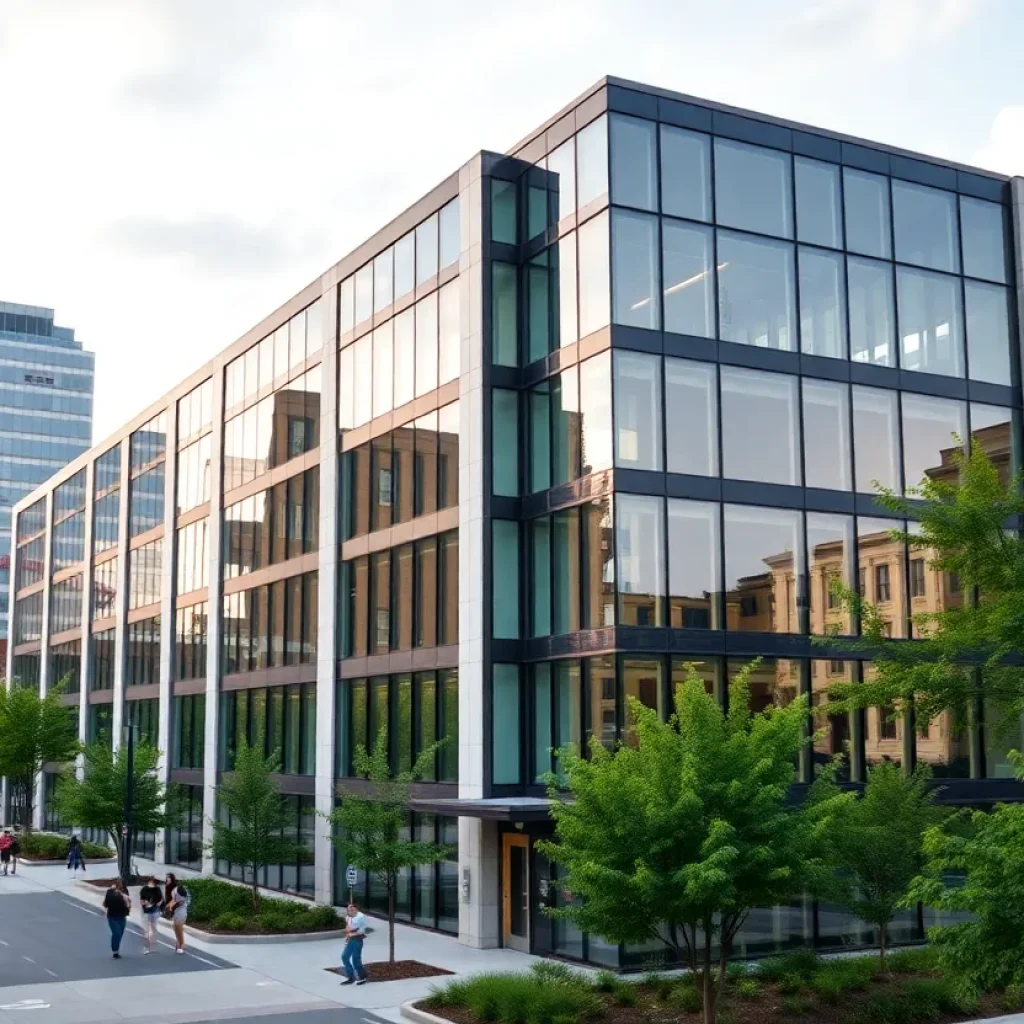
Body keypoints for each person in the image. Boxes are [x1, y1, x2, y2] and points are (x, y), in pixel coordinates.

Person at [340, 902, 368, 986]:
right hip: (350, 939)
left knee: (356, 959)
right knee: (344, 956)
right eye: (348, 909)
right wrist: (347, 931)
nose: (349, 910)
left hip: (357, 939)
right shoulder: (348, 917)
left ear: (356, 909)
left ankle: (362, 976)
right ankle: (351, 977)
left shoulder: (361, 917)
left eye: (351, 909)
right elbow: (347, 926)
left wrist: (352, 934)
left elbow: (363, 931)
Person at [103, 879, 131, 958]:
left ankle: (116, 949)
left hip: (122, 916)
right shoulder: (110, 892)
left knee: (120, 934)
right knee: (117, 933)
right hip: (112, 916)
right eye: (118, 885)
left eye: (121, 886)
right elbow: (106, 903)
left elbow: (128, 903)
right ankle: (115, 951)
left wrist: (127, 901)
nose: (120, 887)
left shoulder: (125, 892)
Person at [164, 873, 190, 954]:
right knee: (175, 926)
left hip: (181, 909)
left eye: (168, 878)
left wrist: (170, 907)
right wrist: (167, 907)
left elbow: (176, 901)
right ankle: (179, 942)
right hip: (177, 909)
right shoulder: (170, 889)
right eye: (166, 878)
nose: (167, 880)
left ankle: (181, 944)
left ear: (172, 879)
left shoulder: (176, 889)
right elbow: (172, 900)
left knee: (178, 926)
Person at [139, 875, 163, 954]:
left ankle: (148, 947)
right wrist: (155, 905)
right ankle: (149, 947)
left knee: (149, 930)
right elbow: (161, 900)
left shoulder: (146, 889)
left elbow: (142, 900)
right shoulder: (153, 889)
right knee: (152, 930)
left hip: (150, 911)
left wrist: (147, 904)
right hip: (152, 911)